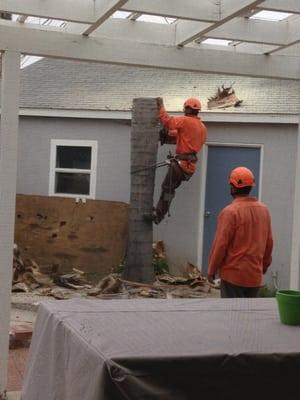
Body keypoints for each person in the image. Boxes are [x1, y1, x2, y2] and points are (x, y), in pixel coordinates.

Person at [207, 166, 273, 298]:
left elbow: (220, 245)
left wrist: (211, 270)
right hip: (254, 276)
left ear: (232, 186)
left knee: (232, 315)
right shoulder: (264, 210)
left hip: (233, 276)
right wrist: (263, 266)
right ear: (251, 187)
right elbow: (269, 242)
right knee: (249, 316)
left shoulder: (230, 212)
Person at [144, 97, 207, 224]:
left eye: (185, 109)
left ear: (188, 109)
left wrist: (161, 106)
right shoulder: (202, 127)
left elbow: (168, 122)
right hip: (188, 167)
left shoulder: (185, 121)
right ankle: (159, 213)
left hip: (181, 165)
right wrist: (170, 135)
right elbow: (186, 137)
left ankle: (158, 215)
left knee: (167, 188)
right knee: (169, 189)